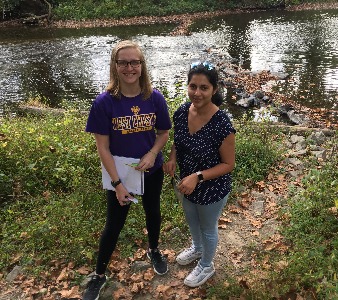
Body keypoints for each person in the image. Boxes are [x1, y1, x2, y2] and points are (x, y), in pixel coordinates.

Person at [83, 40, 171, 300]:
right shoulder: (104, 103)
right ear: (115, 66)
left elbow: (163, 133)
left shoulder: (154, 98)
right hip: (120, 175)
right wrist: (117, 183)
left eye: (135, 62)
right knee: (114, 224)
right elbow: (103, 148)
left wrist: (153, 153)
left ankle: (153, 249)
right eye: (123, 62)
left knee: (153, 213)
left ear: (142, 66)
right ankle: (99, 275)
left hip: (150, 170)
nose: (130, 67)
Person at [163, 61, 236, 287]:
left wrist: (198, 176)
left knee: (207, 226)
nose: (197, 93)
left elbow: (228, 164)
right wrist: (173, 158)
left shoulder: (222, 123)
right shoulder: (182, 111)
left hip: (211, 186)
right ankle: (197, 248)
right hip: (187, 183)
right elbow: (178, 142)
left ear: (214, 90)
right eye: (192, 86)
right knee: (191, 220)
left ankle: (207, 265)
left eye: (204, 87)